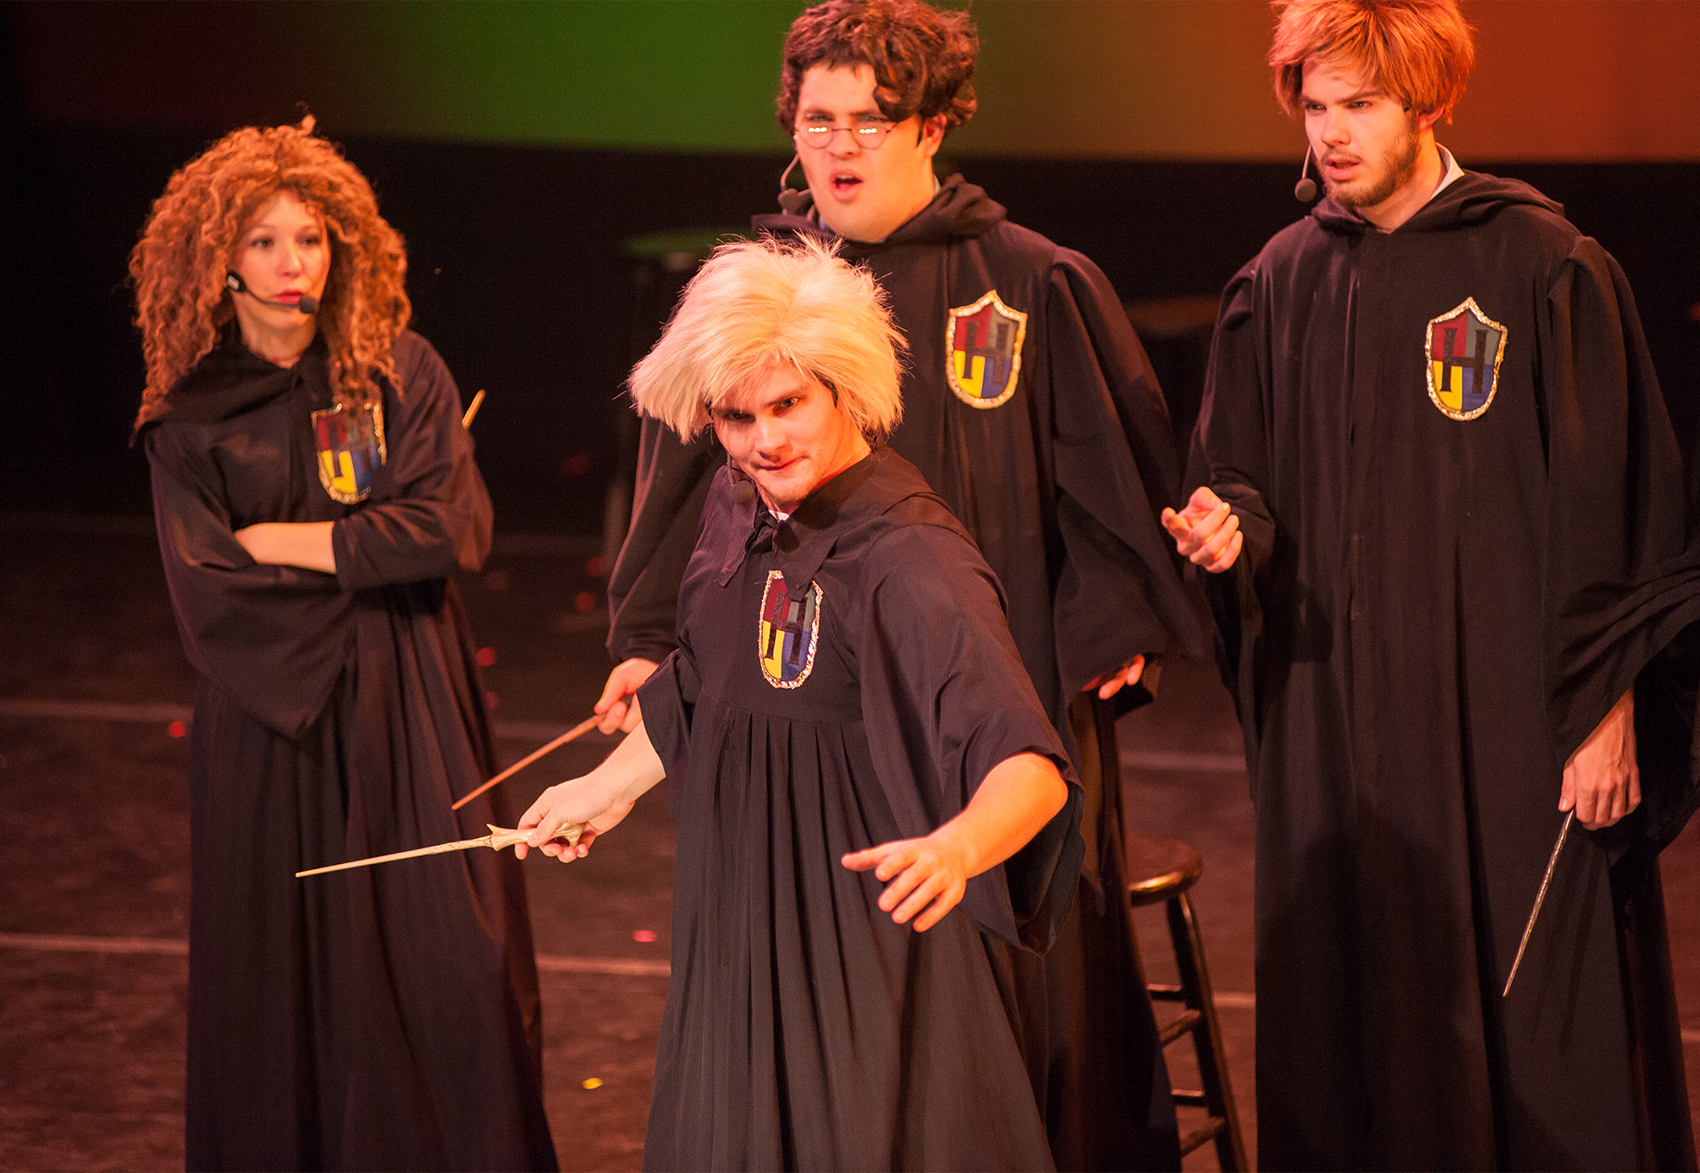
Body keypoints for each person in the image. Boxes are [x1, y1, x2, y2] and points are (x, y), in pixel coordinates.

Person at [599, 3, 1205, 1165]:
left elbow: (1108, 498)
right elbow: (685, 495)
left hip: (992, 703)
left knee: (1018, 1003)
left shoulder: (1031, 283)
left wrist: (1107, 630)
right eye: (817, 120)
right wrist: (646, 642)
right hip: (812, 720)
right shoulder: (758, 297)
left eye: (868, 120)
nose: (838, 145)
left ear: (933, 126)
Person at [1165, 2, 1700, 1167]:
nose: (1332, 136)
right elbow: (1241, 479)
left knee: (1529, 1032)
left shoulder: (1544, 266)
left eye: (1358, 106)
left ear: (1426, 102)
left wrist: (1607, 711)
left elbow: (1618, 513)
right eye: (1314, 108)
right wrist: (1226, 532)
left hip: (1507, 722)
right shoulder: (1279, 281)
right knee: (1351, 1017)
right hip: (1338, 728)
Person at [519, 236, 1083, 1170]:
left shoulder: (911, 559)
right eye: (737, 418)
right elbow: (707, 684)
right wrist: (606, 787)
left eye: (788, 406)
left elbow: (1029, 764)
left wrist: (956, 847)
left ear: (844, 390)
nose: (765, 441)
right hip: (738, 921)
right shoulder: (737, 506)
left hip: (859, 945)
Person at [131, 119, 557, 1171]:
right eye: (265, 242)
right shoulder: (188, 419)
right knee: (284, 969)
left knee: (451, 955)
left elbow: (452, 530)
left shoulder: (396, 369)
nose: (292, 265)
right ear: (219, 259)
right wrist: (368, 563)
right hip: (275, 723)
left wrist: (294, 540)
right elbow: (211, 595)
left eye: (310, 240)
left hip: (412, 697)